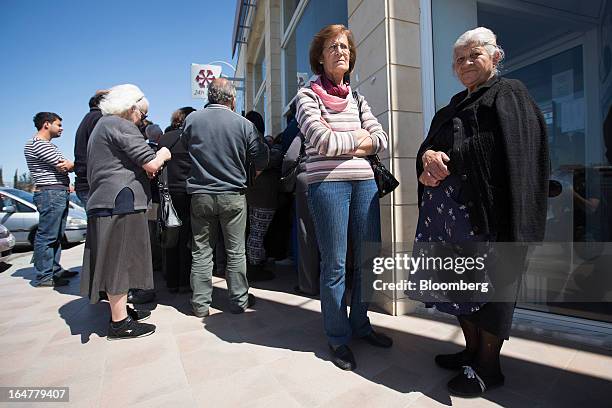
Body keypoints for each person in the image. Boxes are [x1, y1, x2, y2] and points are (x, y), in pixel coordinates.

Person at [413, 27, 548, 397]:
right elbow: (428, 146)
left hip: (488, 217)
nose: (466, 63)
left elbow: (511, 150)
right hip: (446, 219)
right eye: (459, 59)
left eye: (474, 55)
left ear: (495, 57)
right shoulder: (452, 105)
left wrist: (451, 159)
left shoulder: (510, 94)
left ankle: (489, 366)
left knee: (490, 292)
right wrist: (427, 156)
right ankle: (471, 352)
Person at [295, 24, 391, 371]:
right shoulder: (307, 97)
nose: (341, 52)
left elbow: (381, 139)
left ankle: (361, 325)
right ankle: (338, 337)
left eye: (345, 47)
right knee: (335, 264)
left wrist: (350, 138)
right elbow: (321, 141)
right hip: (328, 186)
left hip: (365, 184)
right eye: (333, 47)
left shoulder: (358, 98)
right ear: (320, 57)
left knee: (367, 258)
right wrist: (360, 139)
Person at [80, 84, 172, 340]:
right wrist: (163, 152)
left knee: (113, 261)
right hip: (121, 202)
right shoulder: (120, 125)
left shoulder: (102, 125)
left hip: (106, 201)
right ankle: (120, 324)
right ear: (131, 109)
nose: (142, 121)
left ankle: (119, 314)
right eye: (142, 115)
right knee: (120, 263)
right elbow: (151, 162)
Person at [182, 78, 268, 318]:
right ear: (231, 99)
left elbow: (185, 148)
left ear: (209, 96)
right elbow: (262, 158)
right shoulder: (243, 124)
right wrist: (251, 175)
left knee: (201, 252)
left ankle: (200, 305)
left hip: (201, 194)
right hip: (233, 194)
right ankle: (239, 301)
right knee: (235, 251)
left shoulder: (192, 120)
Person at [24, 112, 76, 287]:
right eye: (58, 125)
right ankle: (45, 275)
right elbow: (63, 165)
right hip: (51, 194)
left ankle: (54, 270)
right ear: (47, 124)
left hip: (56, 193)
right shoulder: (38, 144)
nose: (61, 129)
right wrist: (74, 164)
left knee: (56, 234)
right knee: (47, 235)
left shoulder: (45, 144)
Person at [158, 107, 196, 292]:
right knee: (189, 238)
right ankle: (185, 280)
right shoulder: (193, 137)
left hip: (168, 194)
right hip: (190, 193)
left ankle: (171, 281)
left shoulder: (165, 139)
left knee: (171, 238)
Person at [245, 110, 282, 281]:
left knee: (254, 232)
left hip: (252, 194)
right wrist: (277, 149)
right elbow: (267, 160)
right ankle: (253, 269)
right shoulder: (257, 140)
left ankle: (254, 265)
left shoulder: (246, 140)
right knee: (257, 234)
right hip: (263, 196)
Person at [74, 90, 108, 208]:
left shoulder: (88, 118)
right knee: (102, 225)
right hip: (93, 184)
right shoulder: (100, 119)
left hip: (86, 183)